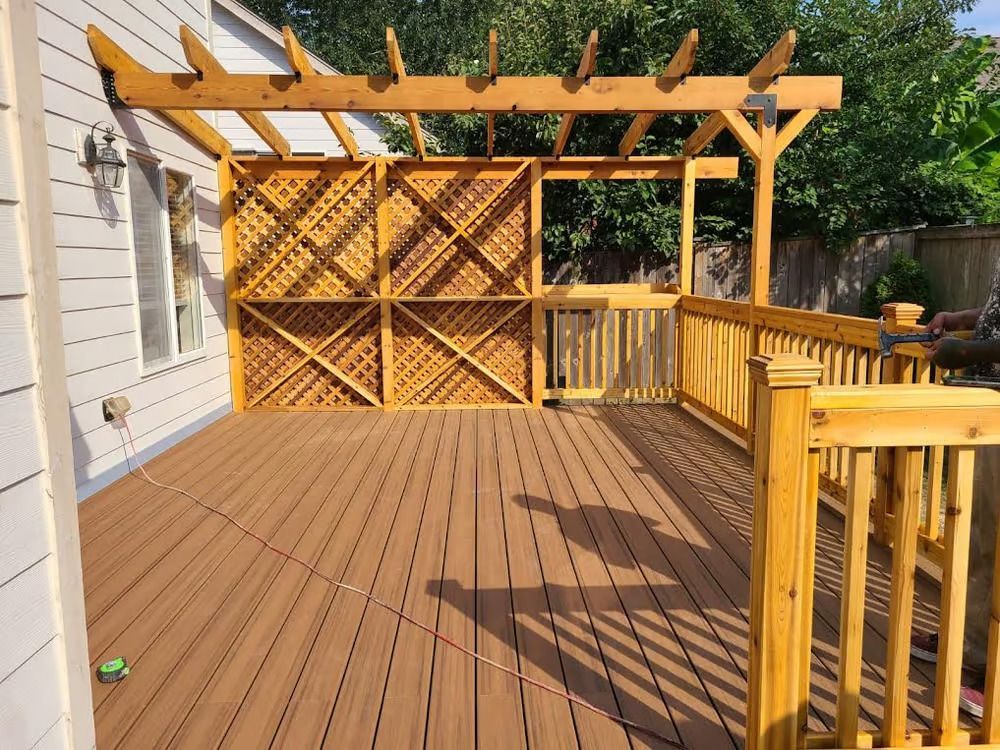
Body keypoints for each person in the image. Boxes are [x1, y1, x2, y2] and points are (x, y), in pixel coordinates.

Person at [910, 257, 1000, 718]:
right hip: (987, 407)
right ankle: (968, 644)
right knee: (976, 539)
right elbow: (996, 311)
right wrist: (962, 321)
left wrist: (964, 353)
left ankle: (990, 675)